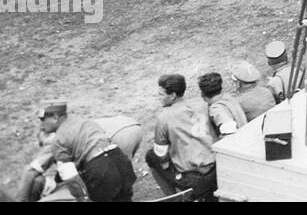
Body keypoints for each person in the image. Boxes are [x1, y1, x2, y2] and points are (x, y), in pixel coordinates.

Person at [21, 103, 135, 203]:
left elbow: (70, 177)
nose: (41, 125)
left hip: (100, 168)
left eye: (42, 119)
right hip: (120, 160)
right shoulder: (83, 122)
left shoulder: (58, 139)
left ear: (55, 117)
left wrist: (83, 198)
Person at [145, 73, 217, 201]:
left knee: (151, 156)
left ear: (172, 95)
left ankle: (176, 198)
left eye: (161, 94)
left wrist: (167, 165)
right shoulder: (201, 103)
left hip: (194, 179)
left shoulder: (164, 118)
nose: (158, 97)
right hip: (215, 167)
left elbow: (160, 154)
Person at [199, 71, 247, 139]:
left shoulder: (216, 108)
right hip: (245, 133)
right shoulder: (228, 98)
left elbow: (229, 131)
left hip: (237, 142)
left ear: (202, 94)